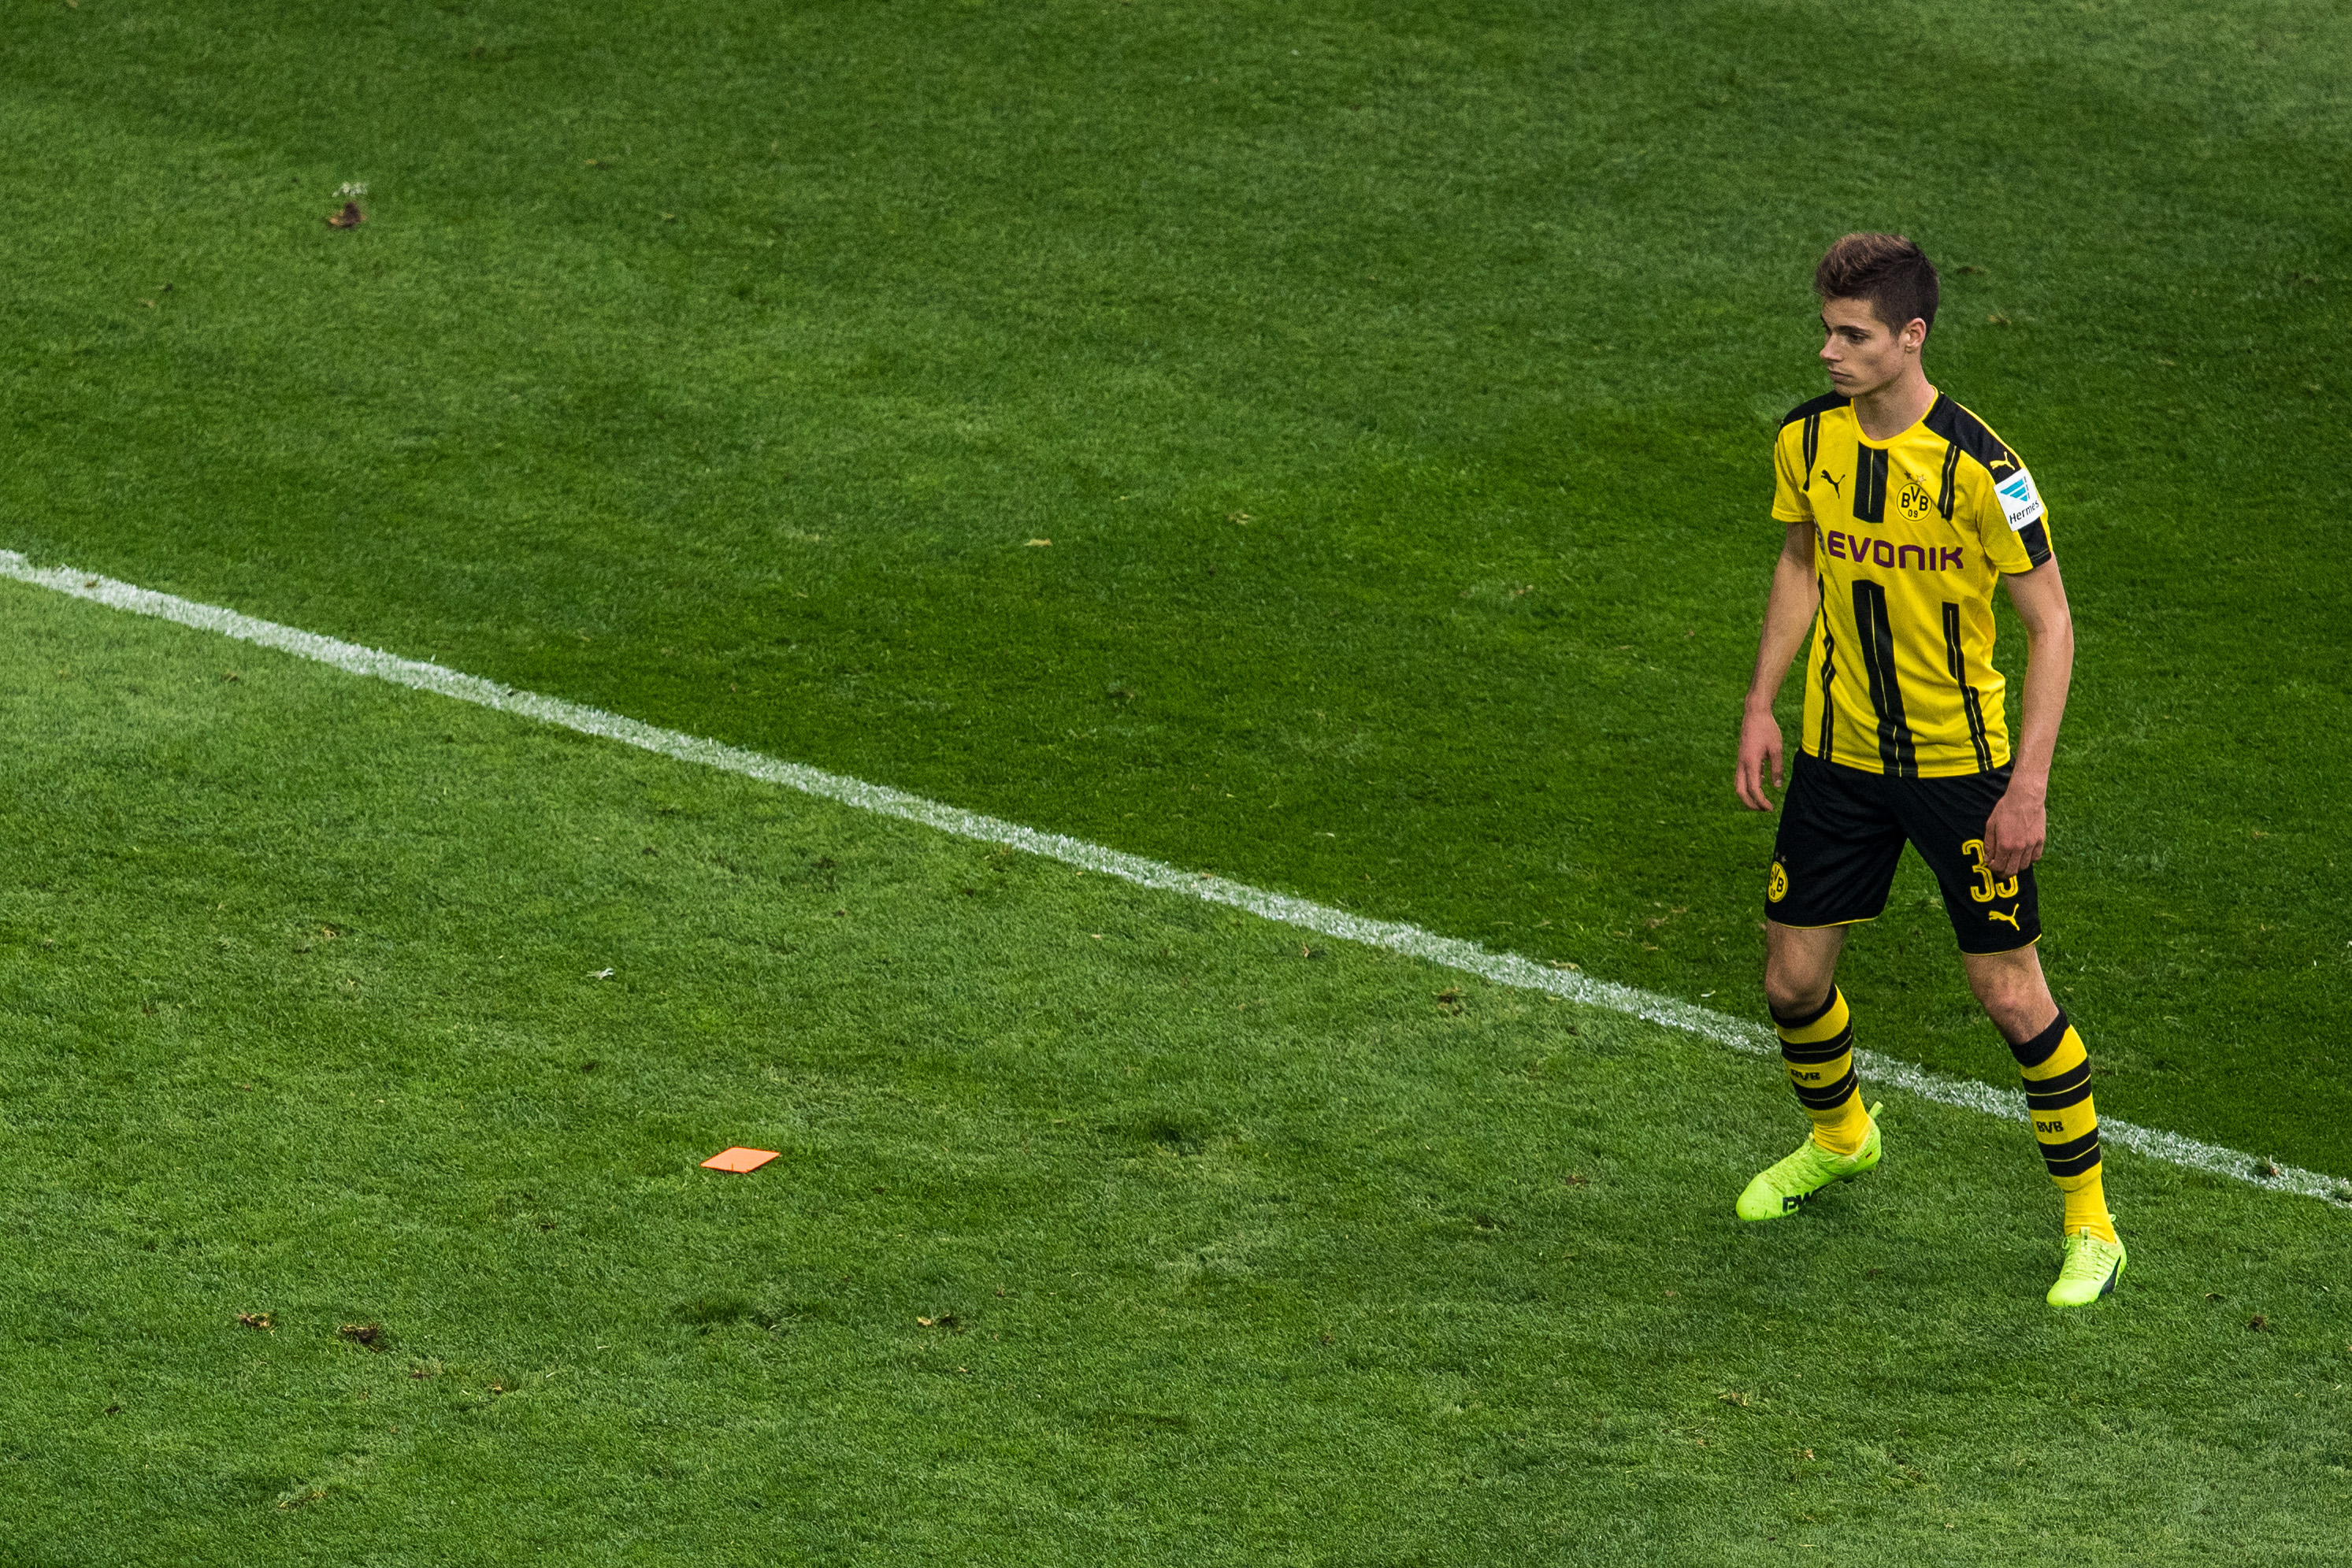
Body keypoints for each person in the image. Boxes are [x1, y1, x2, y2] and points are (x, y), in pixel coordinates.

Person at [1731, 232, 2125, 1307]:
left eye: (1851, 335)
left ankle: (2090, 1225)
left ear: (1910, 337)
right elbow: (1800, 560)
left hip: (1960, 769)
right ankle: (1841, 1136)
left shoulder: (1980, 469)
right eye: (1823, 329)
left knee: (2007, 992)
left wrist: (2026, 785)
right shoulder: (1805, 442)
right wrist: (1761, 704)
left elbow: (2050, 626)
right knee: (1790, 981)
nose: (1827, 351)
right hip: (1837, 759)